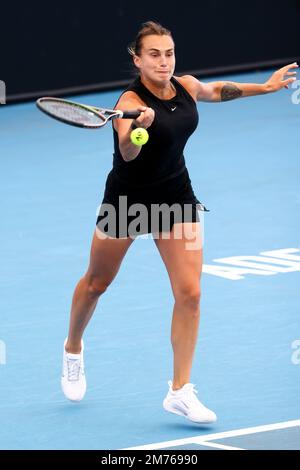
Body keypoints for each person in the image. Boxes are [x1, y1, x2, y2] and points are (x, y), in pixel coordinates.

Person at [61, 21, 298, 424]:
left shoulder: (185, 85)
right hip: (127, 204)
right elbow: (127, 152)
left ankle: (179, 390)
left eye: (168, 53)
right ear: (137, 59)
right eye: (154, 54)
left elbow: (216, 91)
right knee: (97, 283)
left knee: (190, 293)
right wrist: (136, 129)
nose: (163, 61)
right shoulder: (128, 100)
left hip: (177, 199)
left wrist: (268, 88)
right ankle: (73, 347)